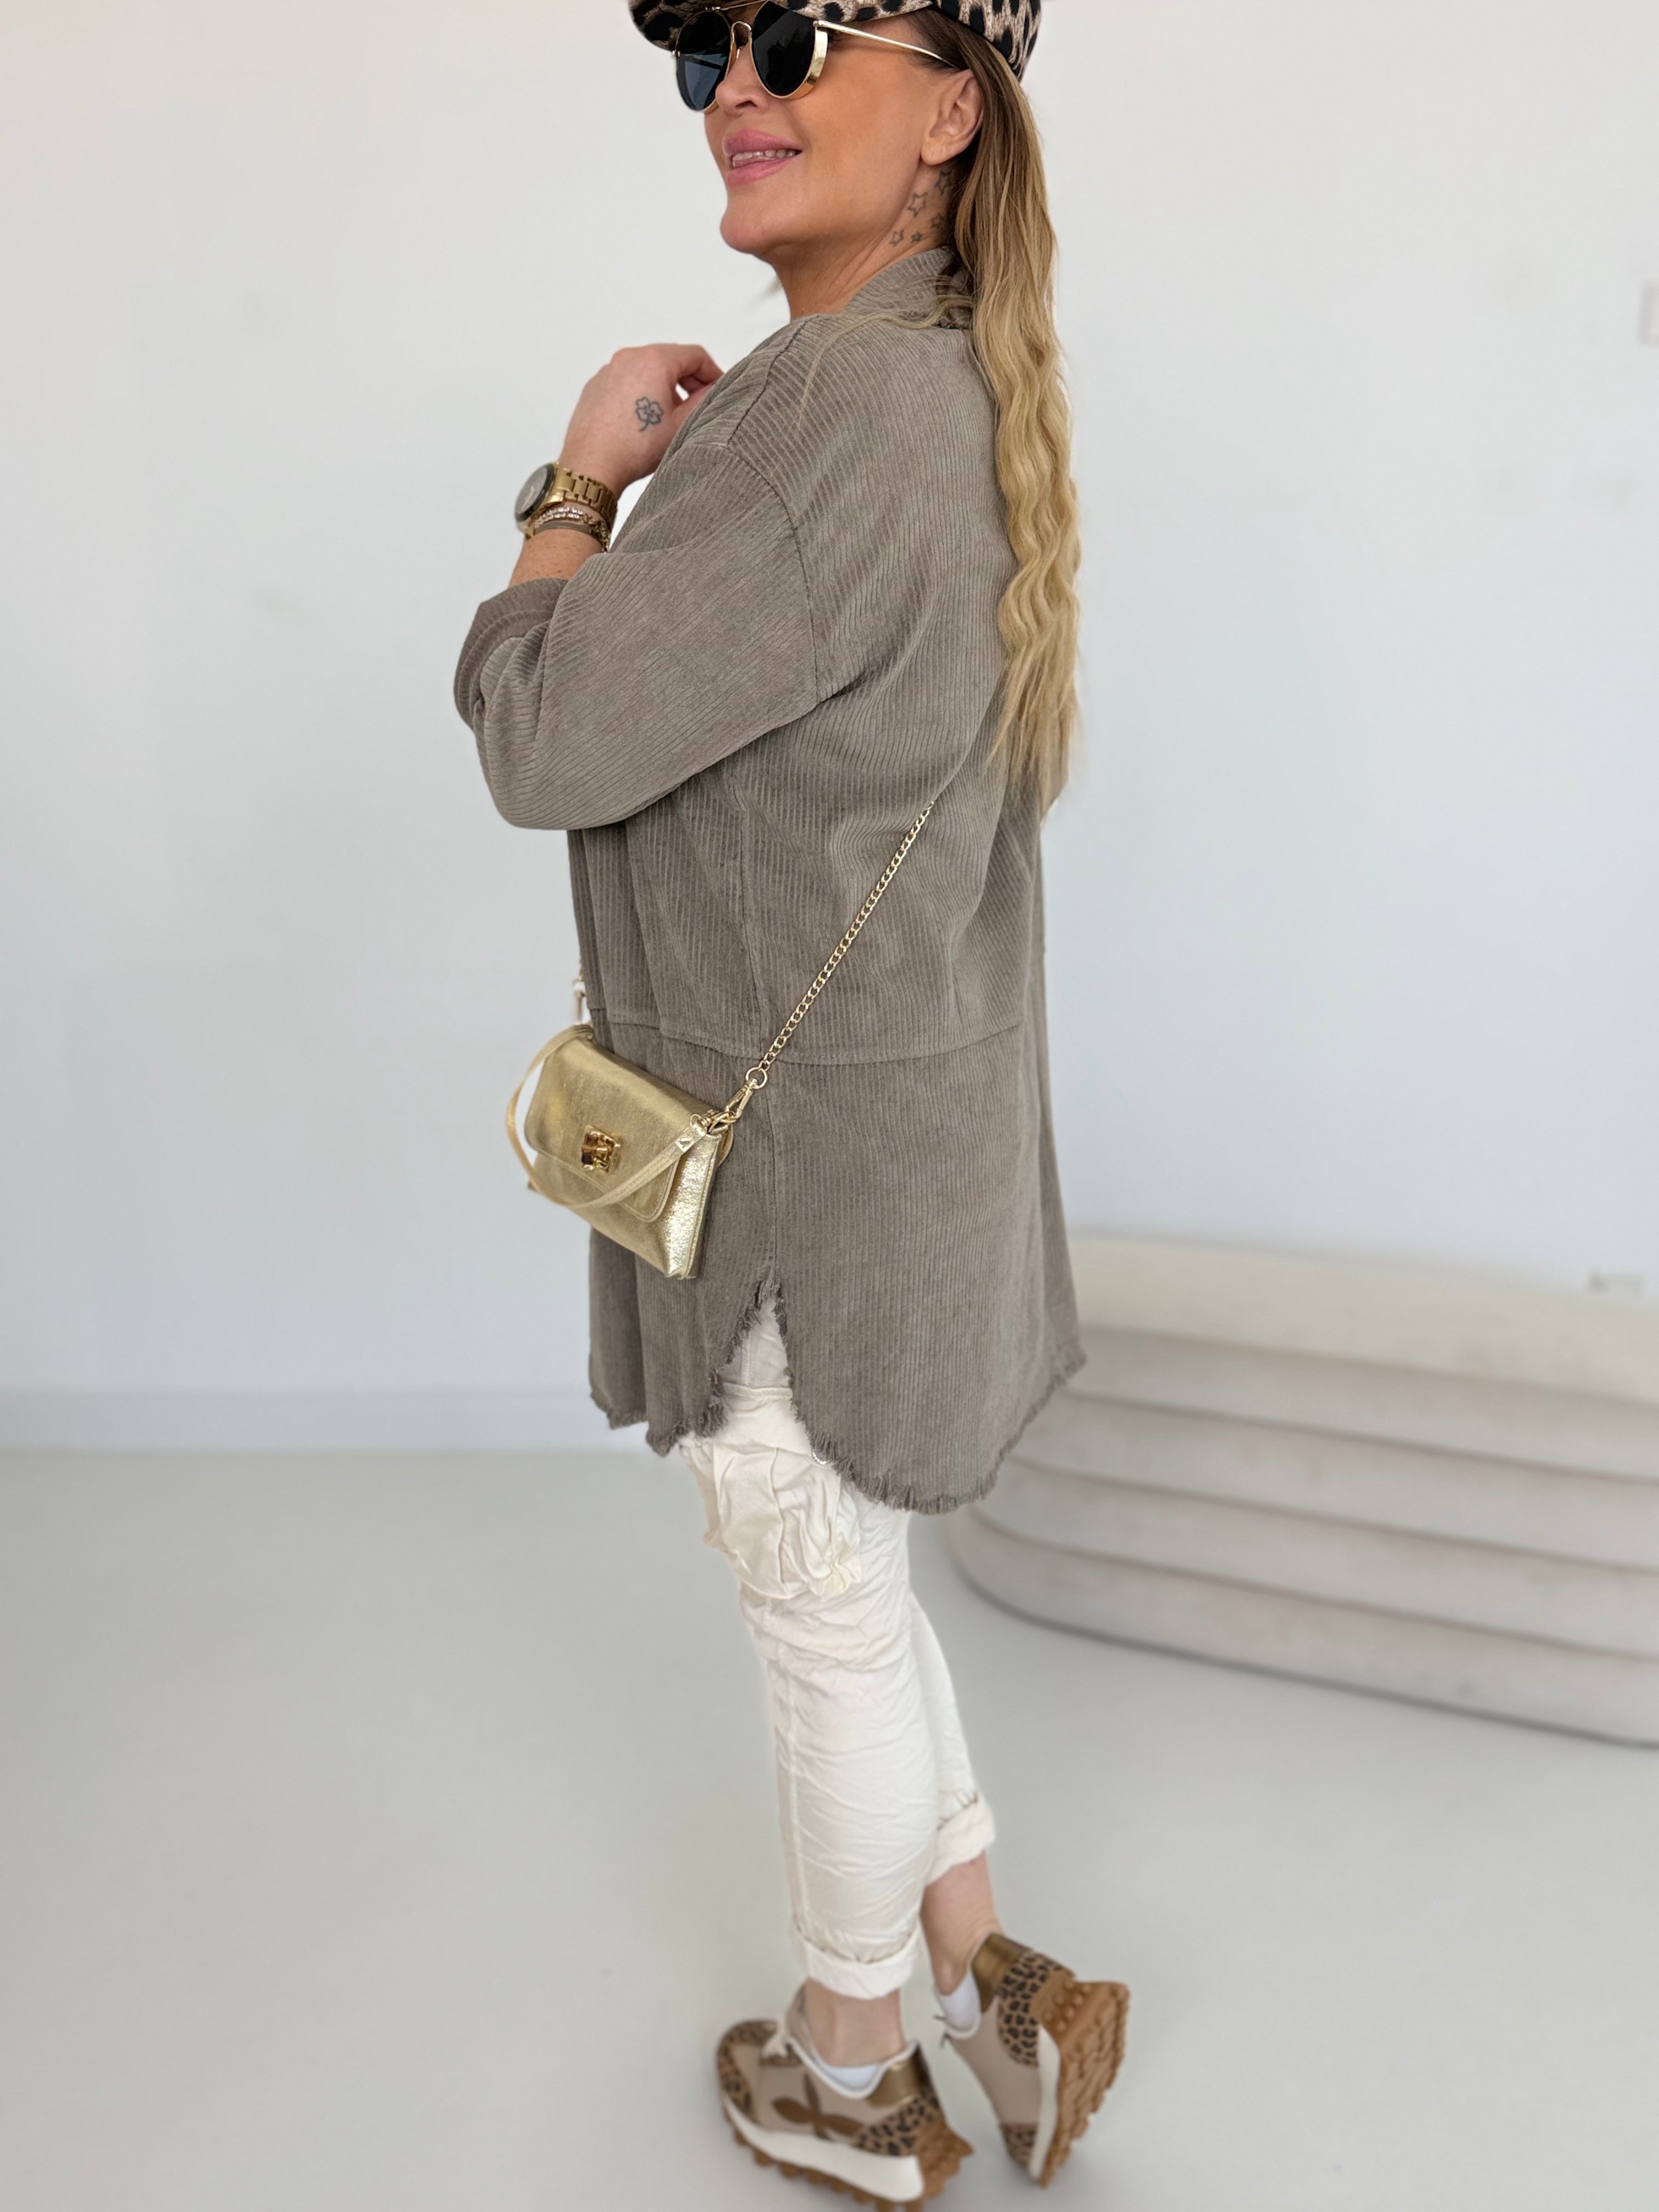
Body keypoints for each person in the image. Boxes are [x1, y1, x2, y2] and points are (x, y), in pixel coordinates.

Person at [453, 2, 1128, 2199]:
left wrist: (575, 487)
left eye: (791, 34)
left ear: (949, 110)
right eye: (704, 59)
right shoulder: (950, 382)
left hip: (794, 1181)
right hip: (900, 1131)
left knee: (816, 1604)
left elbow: (537, 733)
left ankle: (850, 2079)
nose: (736, 86)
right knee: (856, 1574)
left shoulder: (815, 420)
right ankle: (992, 1980)